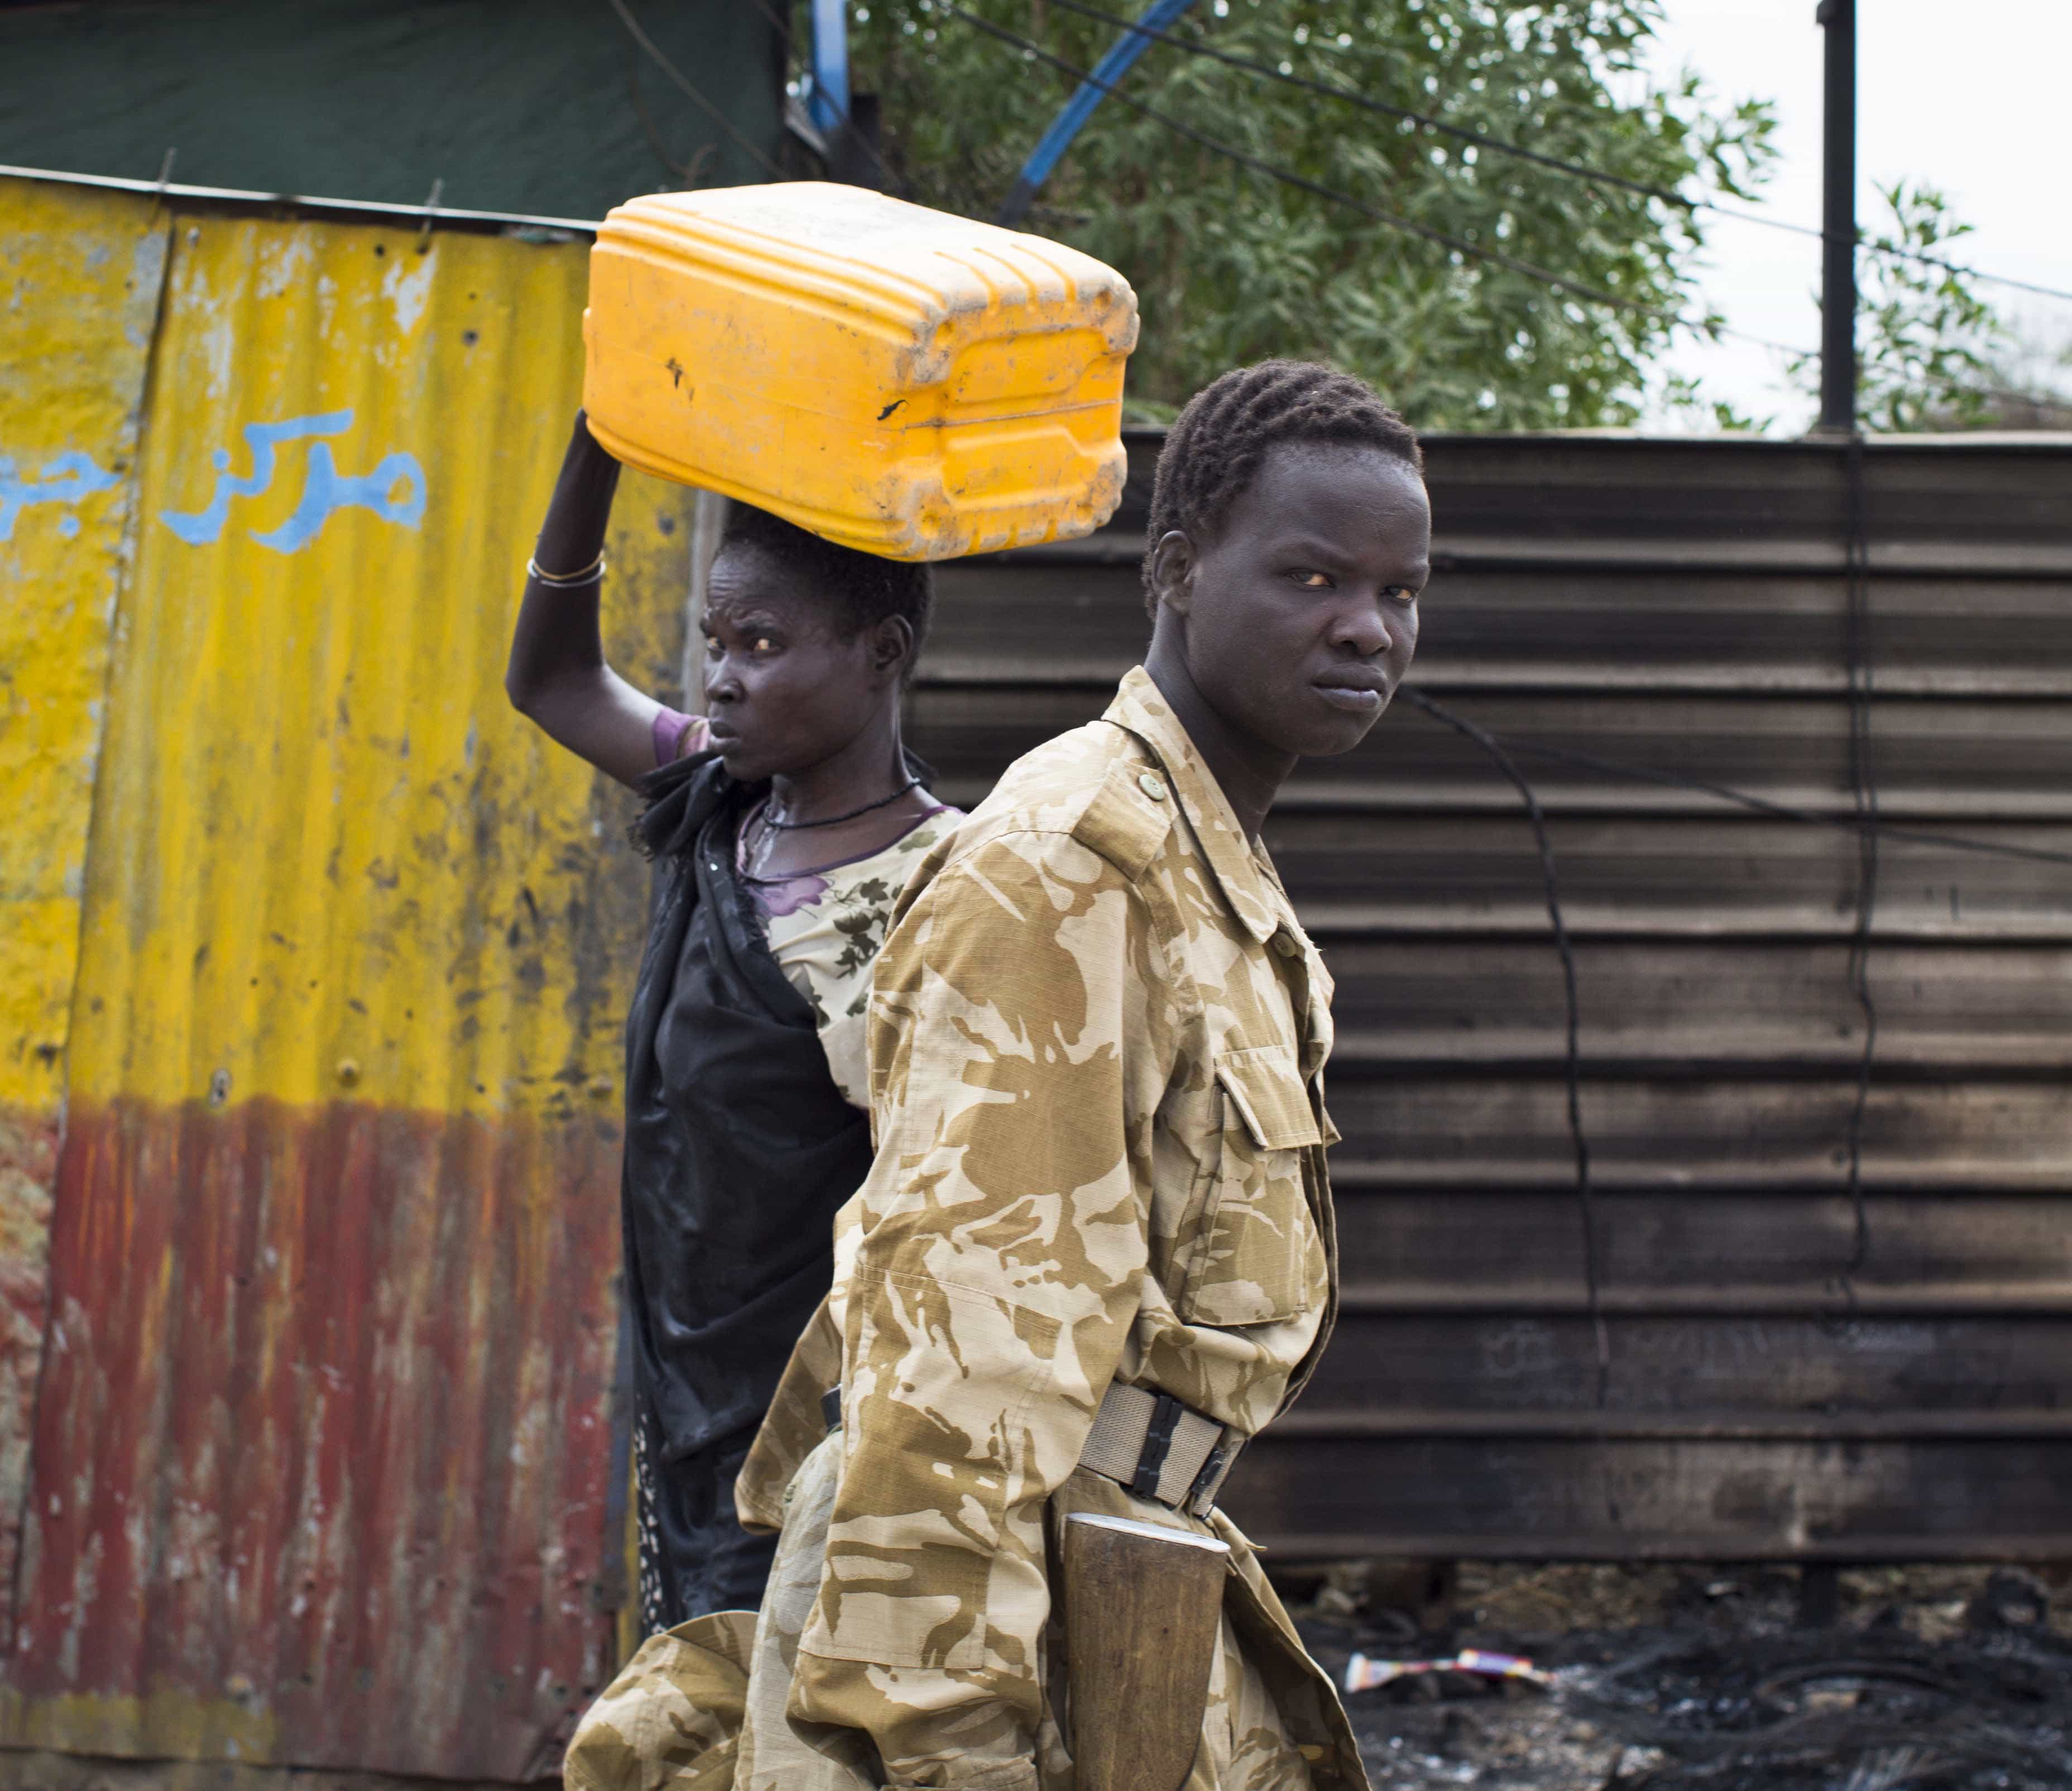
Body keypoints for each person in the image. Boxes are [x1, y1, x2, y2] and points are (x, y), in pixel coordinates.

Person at [565, 360, 1428, 1791]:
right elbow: (949, 1378)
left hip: (1116, 1600)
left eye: (1399, 591)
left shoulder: (1204, 868)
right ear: (1175, 572)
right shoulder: (1065, 870)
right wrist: (947, 1747)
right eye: (1311, 575)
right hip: (993, 1645)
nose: (1365, 627)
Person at [506, 415, 958, 1635]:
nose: (721, 676)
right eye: (716, 642)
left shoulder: (939, 889)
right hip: (686, 1383)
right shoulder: (724, 800)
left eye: (761, 643)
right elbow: (548, 681)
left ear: (881, 652)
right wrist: (595, 449)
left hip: (821, 1426)